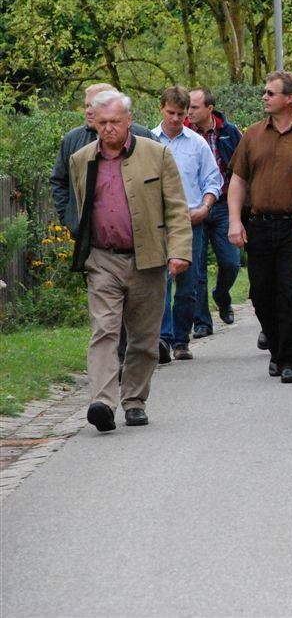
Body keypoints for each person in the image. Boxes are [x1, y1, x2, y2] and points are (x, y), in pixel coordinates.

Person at [68, 89, 192, 432]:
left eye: (115, 122)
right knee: (104, 331)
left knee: (143, 337)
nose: (108, 128)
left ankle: (134, 400)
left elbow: (177, 210)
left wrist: (180, 251)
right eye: (102, 122)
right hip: (103, 259)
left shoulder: (157, 155)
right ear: (94, 123)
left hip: (148, 258)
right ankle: (102, 403)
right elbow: (81, 206)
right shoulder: (82, 160)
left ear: (129, 121)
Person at [228, 71, 292, 383]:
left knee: (291, 291)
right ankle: (276, 350)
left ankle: (288, 360)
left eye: (271, 93)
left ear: (291, 100)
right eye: (265, 93)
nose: (265, 97)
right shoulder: (253, 134)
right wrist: (233, 221)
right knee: (261, 293)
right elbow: (238, 180)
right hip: (259, 224)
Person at [153, 86, 222, 362]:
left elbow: (213, 181)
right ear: (161, 109)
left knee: (187, 285)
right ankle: (163, 339)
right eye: (171, 113)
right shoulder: (148, 141)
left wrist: (205, 207)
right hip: (157, 224)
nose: (175, 119)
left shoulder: (197, 144)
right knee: (160, 283)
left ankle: (181, 339)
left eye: (181, 114)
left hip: (189, 221)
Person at [51, 83, 155, 237]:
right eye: (86, 105)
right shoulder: (73, 140)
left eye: (94, 105)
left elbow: (160, 183)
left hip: (139, 238)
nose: (88, 111)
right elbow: (59, 181)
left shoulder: (143, 137)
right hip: (90, 242)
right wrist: (70, 219)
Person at [186, 87, 242, 339]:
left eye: (195, 107)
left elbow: (242, 169)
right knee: (195, 268)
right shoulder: (183, 134)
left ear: (210, 109)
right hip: (192, 207)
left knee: (231, 262)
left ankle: (222, 295)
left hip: (223, 206)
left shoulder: (229, 133)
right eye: (188, 107)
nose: (189, 112)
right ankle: (202, 322)